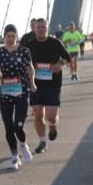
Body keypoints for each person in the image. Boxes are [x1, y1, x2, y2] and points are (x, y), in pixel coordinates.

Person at [0, 24, 37, 170]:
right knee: (8, 127)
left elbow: (30, 68)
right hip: (5, 94)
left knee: (18, 126)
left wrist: (32, 83)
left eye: (13, 36)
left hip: (22, 92)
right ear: (4, 37)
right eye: (8, 36)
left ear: (17, 37)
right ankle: (14, 156)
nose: (10, 39)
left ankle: (23, 144)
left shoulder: (24, 51)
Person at [27, 18, 71, 153]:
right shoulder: (29, 45)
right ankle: (42, 142)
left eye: (43, 27)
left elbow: (67, 57)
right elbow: (23, 61)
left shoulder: (55, 43)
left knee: (51, 116)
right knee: (38, 115)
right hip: (36, 85)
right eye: (38, 27)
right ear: (35, 28)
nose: (41, 29)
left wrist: (61, 64)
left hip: (53, 84)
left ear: (47, 28)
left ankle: (52, 125)